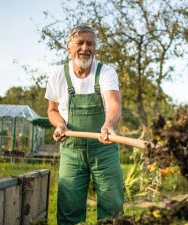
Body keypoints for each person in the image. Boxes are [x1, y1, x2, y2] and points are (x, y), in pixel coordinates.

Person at [45, 25, 123, 225]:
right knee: (69, 208)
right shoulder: (58, 74)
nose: (85, 47)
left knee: (112, 207)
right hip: (72, 150)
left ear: (95, 47)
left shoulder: (106, 72)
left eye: (90, 43)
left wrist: (108, 124)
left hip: (104, 148)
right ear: (68, 47)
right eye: (79, 43)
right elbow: (52, 110)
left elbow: (114, 104)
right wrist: (60, 125)